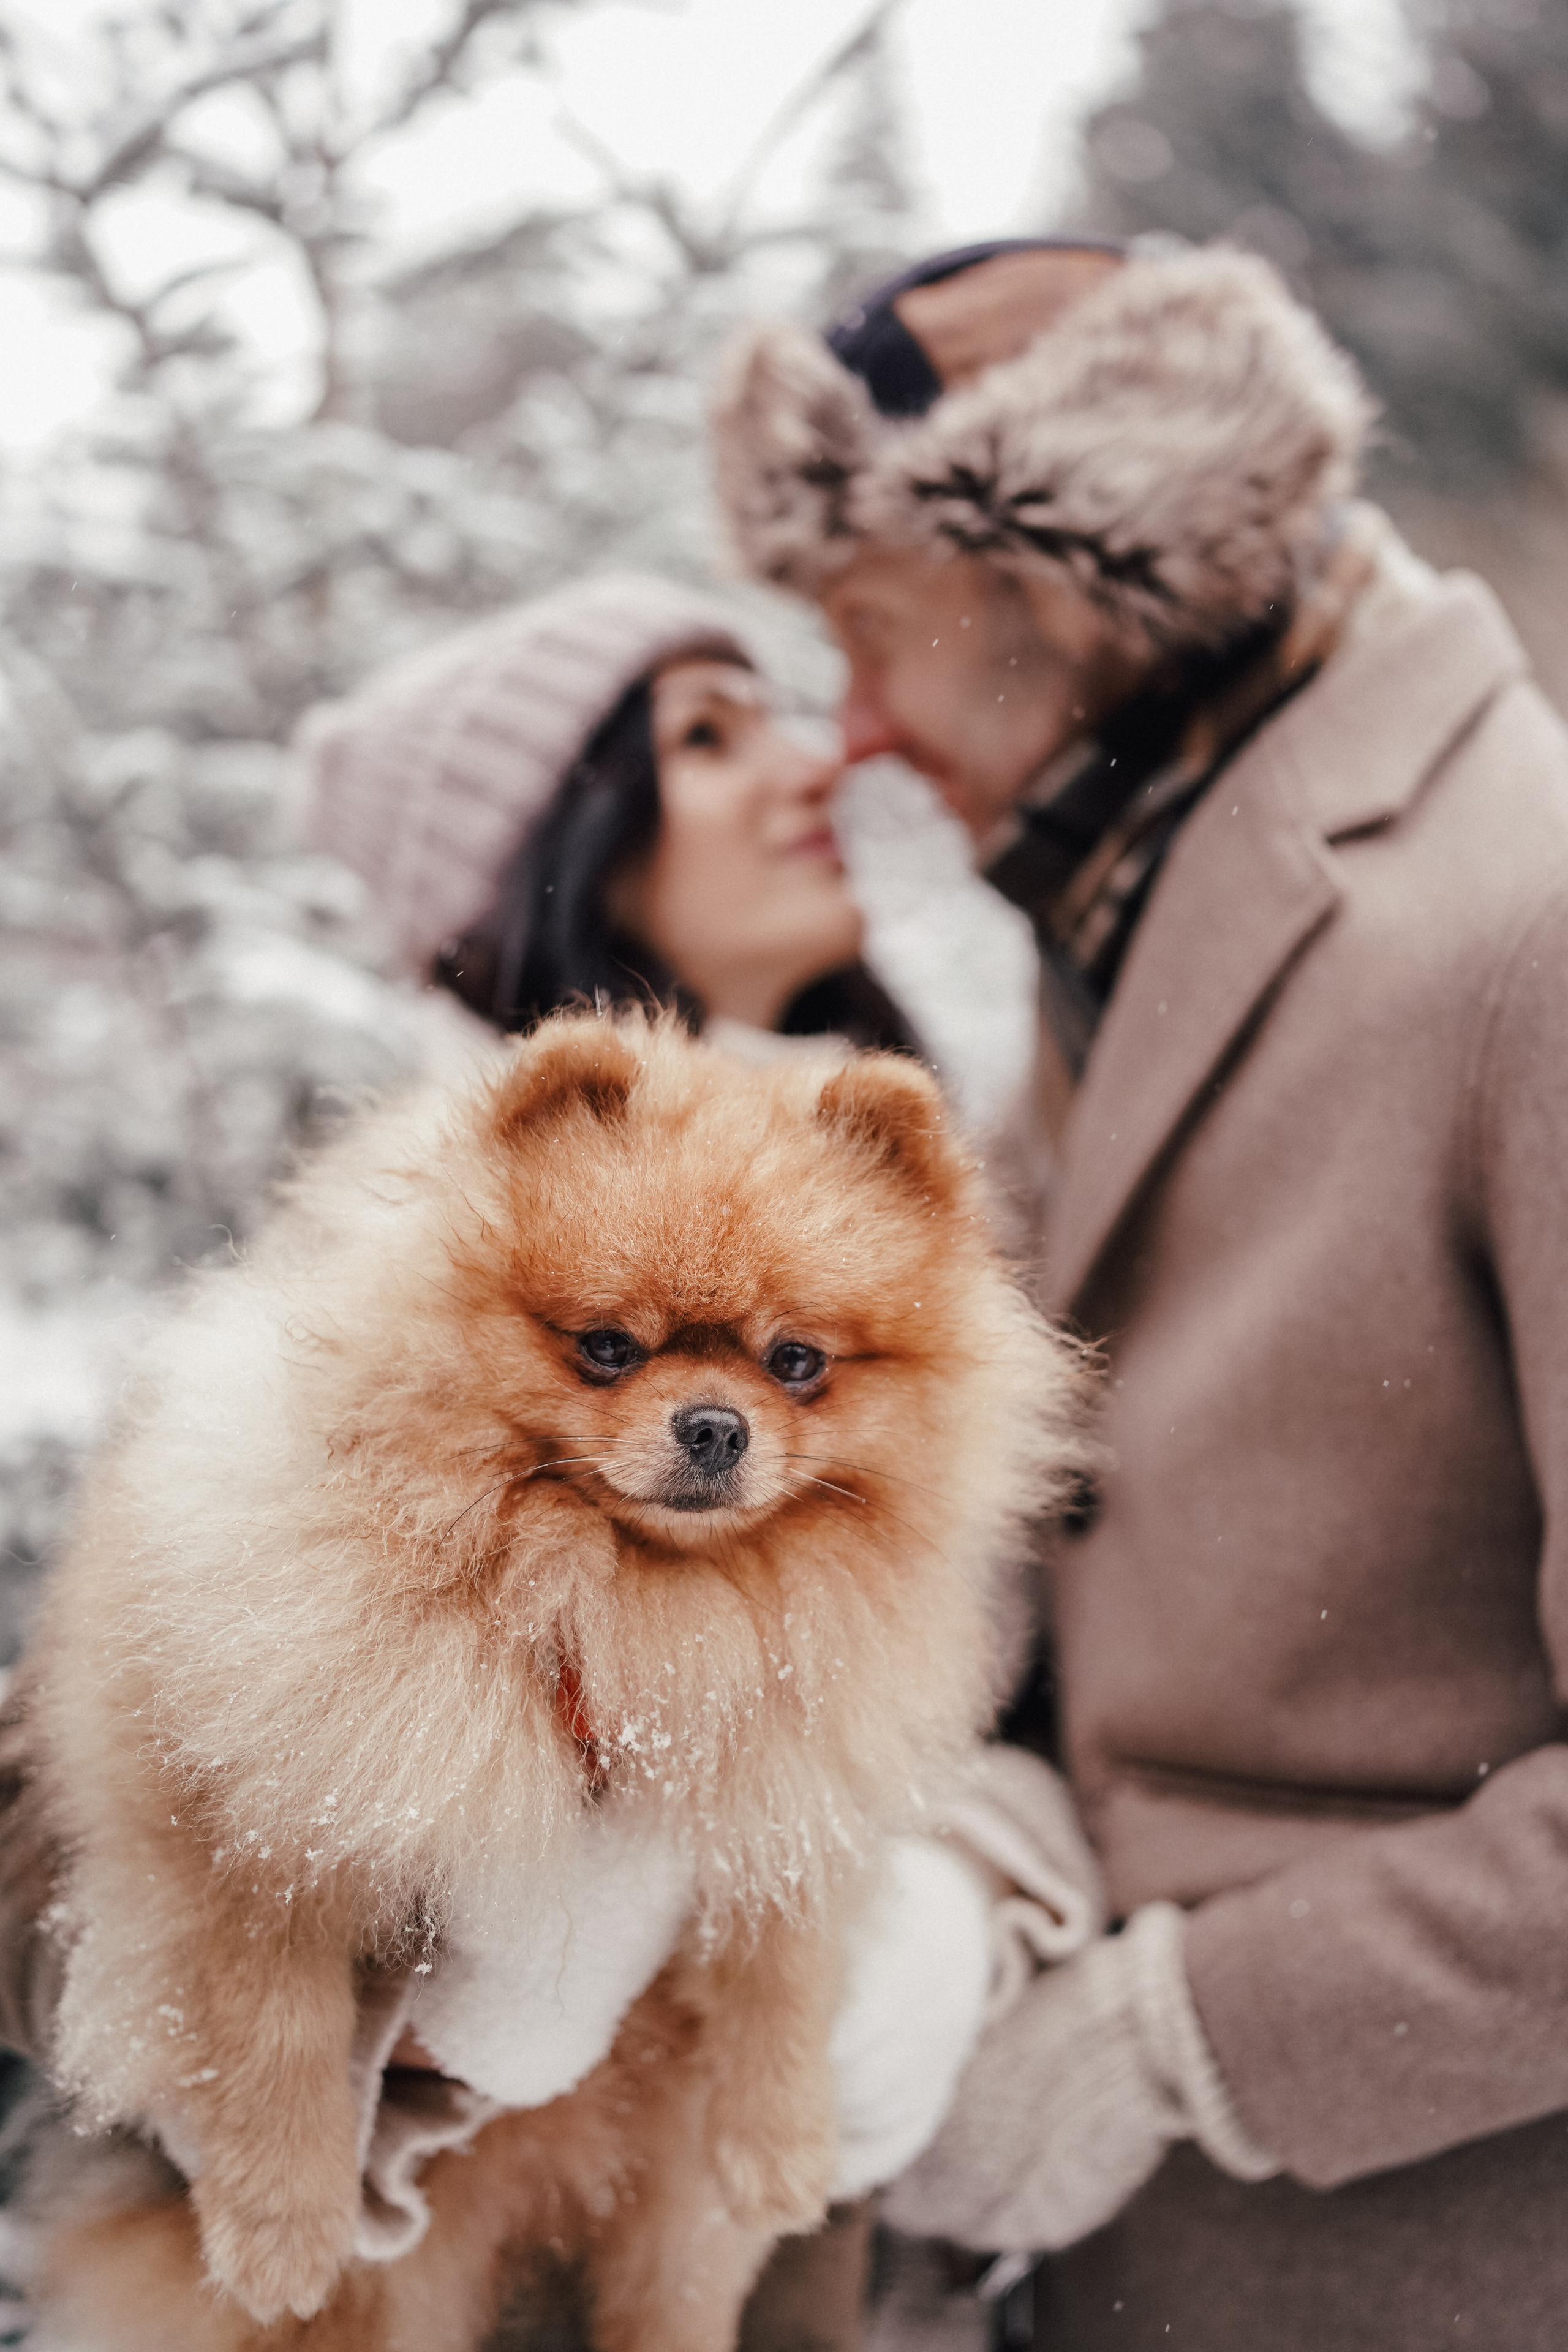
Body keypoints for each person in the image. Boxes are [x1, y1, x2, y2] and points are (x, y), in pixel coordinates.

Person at [0, 568, 1103, 2352]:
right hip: (357, 2274)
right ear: (553, 834)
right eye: (706, 736)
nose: (808, 766)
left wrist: (950, 1894)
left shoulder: (948, 1200)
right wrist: (355, 2025)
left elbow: (1095, 1710)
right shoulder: (353, 1279)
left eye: (790, 1362)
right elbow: (56, 1800)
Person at [713, 235, 1568, 2348]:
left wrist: (1190, 2040)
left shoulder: (1526, 927)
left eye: (857, 631)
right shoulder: (1126, 916)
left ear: (1057, 575)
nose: (856, 731)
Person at [295, 569, 918, 1063]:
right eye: (705, 735)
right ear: (571, 860)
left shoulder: (913, 1145)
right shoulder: (530, 1222)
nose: (819, 768)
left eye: (774, 722)